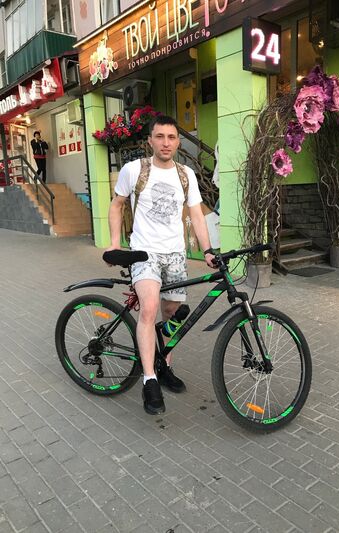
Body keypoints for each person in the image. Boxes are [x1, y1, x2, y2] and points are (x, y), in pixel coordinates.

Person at [107, 115, 215, 415]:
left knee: (172, 314)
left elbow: (196, 214)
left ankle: (164, 364)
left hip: (175, 254)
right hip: (145, 253)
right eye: (160, 136)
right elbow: (117, 205)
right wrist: (114, 244)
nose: (166, 142)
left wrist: (208, 250)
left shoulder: (186, 174)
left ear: (178, 142)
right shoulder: (134, 170)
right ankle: (150, 379)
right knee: (150, 308)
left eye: (171, 137)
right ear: (150, 140)